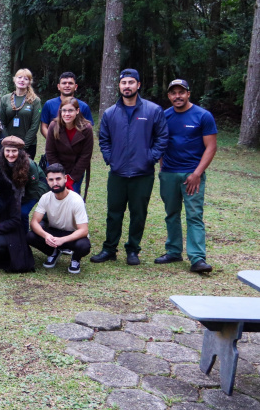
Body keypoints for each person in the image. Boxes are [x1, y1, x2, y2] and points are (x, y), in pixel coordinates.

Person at [92, 68, 169, 266]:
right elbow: (104, 139)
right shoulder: (110, 113)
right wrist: (110, 159)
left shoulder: (153, 111)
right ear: (119, 86)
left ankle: (133, 250)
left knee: (138, 213)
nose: (127, 86)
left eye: (131, 82)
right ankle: (109, 249)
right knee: (113, 213)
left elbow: (162, 137)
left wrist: (150, 158)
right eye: (124, 83)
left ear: (138, 85)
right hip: (117, 172)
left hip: (142, 173)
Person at [156, 79, 217, 273]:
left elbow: (211, 147)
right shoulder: (164, 116)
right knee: (171, 214)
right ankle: (173, 251)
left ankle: (197, 258)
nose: (177, 96)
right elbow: (160, 143)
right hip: (169, 174)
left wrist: (197, 173)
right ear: (169, 96)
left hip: (192, 174)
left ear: (188, 93)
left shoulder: (203, 116)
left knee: (194, 216)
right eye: (173, 93)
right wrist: (162, 166)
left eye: (181, 92)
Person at [27, 163, 91, 274]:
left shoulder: (76, 200)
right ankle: (53, 252)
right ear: (47, 180)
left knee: (84, 245)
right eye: (51, 180)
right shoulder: (45, 197)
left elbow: (84, 230)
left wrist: (62, 240)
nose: (55, 183)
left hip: (72, 235)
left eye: (58, 179)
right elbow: (34, 222)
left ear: (65, 179)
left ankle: (75, 259)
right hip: (54, 233)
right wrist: (46, 235)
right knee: (30, 236)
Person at [0, 136, 49, 230]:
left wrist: (17, 203)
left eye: (14, 151)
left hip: (34, 188)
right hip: (14, 187)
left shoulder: (29, 165)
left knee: (22, 212)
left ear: (20, 152)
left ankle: (25, 236)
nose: (10, 154)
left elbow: (33, 189)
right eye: (7, 151)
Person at [44, 97, 94, 193]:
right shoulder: (53, 126)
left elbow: (86, 155)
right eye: (64, 111)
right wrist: (60, 175)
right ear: (60, 111)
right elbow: (50, 152)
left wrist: (71, 178)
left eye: (70, 110)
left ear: (77, 111)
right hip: (56, 168)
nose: (67, 114)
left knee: (73, 198)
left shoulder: (86, 128)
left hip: (76, 169)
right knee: (56, 198)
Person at [0, 69, 42, 159]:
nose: (22, 80)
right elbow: (1, 122)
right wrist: (9, 143)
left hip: (28, 145)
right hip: (8, 146)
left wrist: (24, 145)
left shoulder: (35, 100)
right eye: (19, 77)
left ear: (29, 83)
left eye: (26, 79)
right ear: (14, 79)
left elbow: (35, 125)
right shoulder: (5, 99)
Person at [39, 72, 94, 140]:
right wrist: (53, 142)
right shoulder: (49, 104)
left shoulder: (83, 106)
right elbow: (43, 127)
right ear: (59, 86)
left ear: (76, 87)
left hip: (77, 146)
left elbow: (88, 129)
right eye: (64, 83)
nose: (67, 85)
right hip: (54, 146)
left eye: (70, 83)